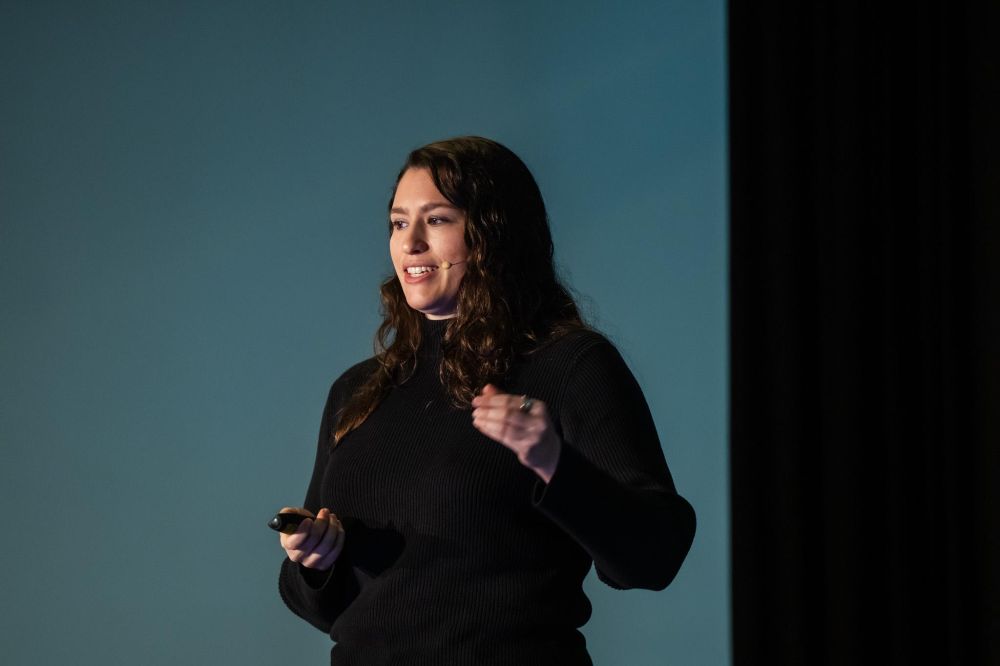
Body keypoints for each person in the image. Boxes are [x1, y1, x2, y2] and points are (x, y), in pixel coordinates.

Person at [275, 136, 696, 665]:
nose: (410, 244)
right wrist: (314, 561)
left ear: (493, 232)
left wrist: (554, 465)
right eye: (399, 223)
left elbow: (654, 557)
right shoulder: (357, 392)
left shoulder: (567, 366)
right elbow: (326, 608)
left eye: (438, 220)